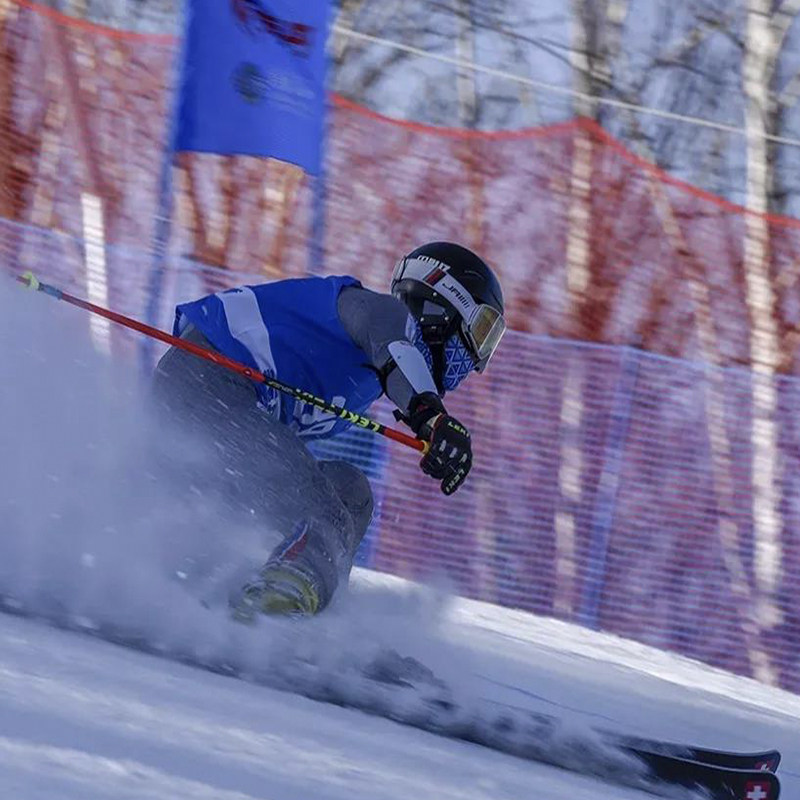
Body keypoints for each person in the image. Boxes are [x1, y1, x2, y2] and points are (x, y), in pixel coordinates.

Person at [152, 241, 506, 619]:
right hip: (207, 386)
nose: (476, 361)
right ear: (444, 304)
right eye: (482, 329)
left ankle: (318, 614)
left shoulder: (367, 380)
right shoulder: (379, 313)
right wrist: (430, 417)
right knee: (322, 508)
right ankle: (277, 607)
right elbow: (398, 353)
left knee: (350, 493)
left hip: (225, 421)